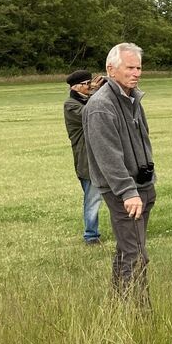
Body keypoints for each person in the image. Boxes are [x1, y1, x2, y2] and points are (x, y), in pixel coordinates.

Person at [83, 43, 156, 304]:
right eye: (130, 67)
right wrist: (128, 192)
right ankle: (137, 312)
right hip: (124, 192)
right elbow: (108, 156)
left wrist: (147, 180)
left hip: (142, 186)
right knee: (136, 254)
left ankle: (117, 305)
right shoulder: (101, 106)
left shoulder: (132, 98)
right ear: (111, 69)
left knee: (127, 249)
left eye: (138, 67)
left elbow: (142, 140)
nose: (136, 73)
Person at [63, 70, 105, 244]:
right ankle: (91, 236)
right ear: (75, 87)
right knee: (93, 198)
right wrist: (97, 92)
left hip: (101, 158)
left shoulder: (88, 100)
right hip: (87, 161)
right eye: (87, 84)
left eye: (91, 83)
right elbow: (90, 115)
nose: (90, 86)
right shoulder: (71, 105)